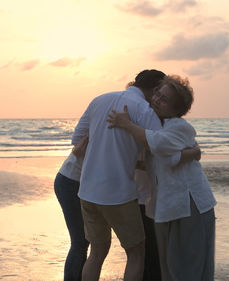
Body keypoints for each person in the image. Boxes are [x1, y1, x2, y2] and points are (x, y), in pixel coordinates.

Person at [107, 75, 217, 281]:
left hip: (190, 203)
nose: (156, 99)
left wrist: (126, 124)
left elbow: (158, 145)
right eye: (157, 94)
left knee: (188, 266)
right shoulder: (156, 124)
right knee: (170, 267)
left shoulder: (179, 126)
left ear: (176, 109)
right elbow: (160, 157)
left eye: (164, 99)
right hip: (166, 206)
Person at [71, 69, 166, 281]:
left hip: (87, 190)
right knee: (136, 253)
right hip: (118, 193)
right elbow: (160, 146)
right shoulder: (143, 109)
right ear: (155, 89)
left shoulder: (99, 99)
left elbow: (78, 138)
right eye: (160, 92)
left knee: (96, 253)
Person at [54, 136, 90, 281]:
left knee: (83, 241)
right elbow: (76, 138)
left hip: (72, 182)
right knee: (80, 241)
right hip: (70, 183)